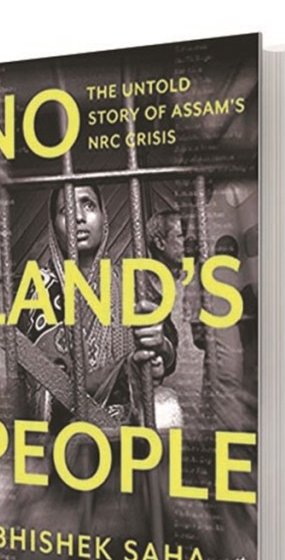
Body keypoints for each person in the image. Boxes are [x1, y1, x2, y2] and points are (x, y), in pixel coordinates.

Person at [16, 184, 178, 429]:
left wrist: (159, 350)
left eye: (89, 205)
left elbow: (169, 351)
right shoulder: (42, 288)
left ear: (104, 217)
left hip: (132, 417)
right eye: (66, 210)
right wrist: (127, 370)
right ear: (54, 226)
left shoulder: (132, 281)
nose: (79, 217)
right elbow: (47, 386)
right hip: (67, 427)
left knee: (167, 407)